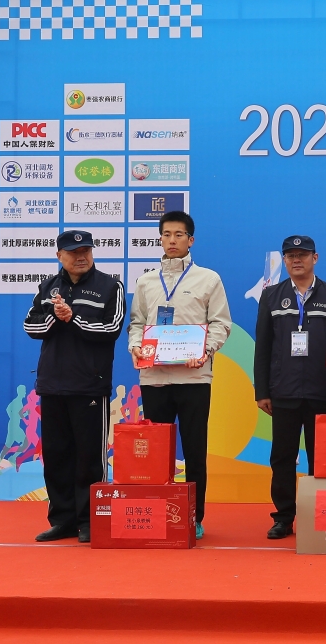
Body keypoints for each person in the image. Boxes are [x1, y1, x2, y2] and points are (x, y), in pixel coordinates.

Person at [128, 211, 232, 540]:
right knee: (157, 453)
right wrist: (135, 346)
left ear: (191, 240)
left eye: (179, 234)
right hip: (154, 378)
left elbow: (221, 323)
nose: (172, 240)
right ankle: (159, 514)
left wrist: (206, 350)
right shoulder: (146, 281)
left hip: (193, 378)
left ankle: (193, 516)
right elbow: (136, 323)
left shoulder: (208, 279)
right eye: (166, 234)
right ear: (160, 238)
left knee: (194, 451)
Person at [24, 231, 126, 543]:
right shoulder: (48, 287)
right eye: (73, 252)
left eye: (86, 251)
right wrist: (56, 317)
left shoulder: (110, 286)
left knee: (89, 458)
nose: (81, 257)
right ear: (59, 256)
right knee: (56, 457)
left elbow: (112, 328)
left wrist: (74, 318)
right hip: (52, 385)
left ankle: (90, 521)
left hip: (90, 386)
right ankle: (63, 520)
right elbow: (31, 326)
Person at [253, 235, 326, 539]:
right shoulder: (271, 296)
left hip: (322, 391)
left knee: (322, 459)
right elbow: (263, 347)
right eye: (290, 255)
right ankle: (283, 517)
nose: (296, 260)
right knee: (282, 458)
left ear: (314, 258)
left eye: (302, 255)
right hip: (284, 392)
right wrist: (262, 391)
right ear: (284, 260)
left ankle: (322, 514)